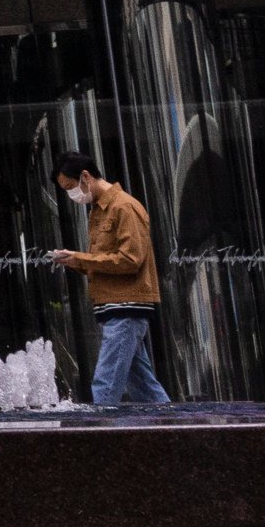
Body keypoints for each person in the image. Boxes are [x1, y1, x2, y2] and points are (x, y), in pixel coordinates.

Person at [51, 151, 171, 407]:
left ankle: (98, 428)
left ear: (85, 176)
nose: (72, 194)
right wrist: (76, 261)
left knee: (105, 383)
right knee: (143, 385)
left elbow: (131, 259)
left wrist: (82, 258)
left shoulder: (124, 206)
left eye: (71, 187)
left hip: (126, 307)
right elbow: (106, 262)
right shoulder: (98, 211)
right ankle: (175, 424)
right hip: (115, 307)